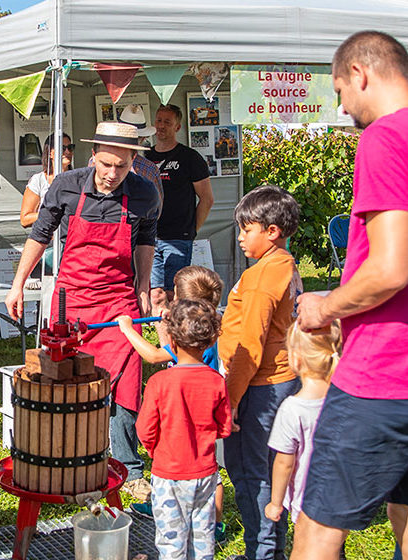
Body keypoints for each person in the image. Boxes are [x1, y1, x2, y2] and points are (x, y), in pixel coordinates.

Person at [293, 31, 408, 560]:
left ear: (360, 74)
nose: (342, 107)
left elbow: (389, 268)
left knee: (316, 529)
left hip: (383, 376)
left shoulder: (386, 137)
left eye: (340, 91)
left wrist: (327, 304)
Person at [5, 122, 160, 501]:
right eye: (106, 164)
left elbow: (145, 241)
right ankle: (63, 453)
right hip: (71, 299)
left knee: (126, 381)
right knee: (63, 376)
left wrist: (142, 287)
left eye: (121, 167)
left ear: (133, 161)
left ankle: (129, 465)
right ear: (93, 156)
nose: (111, 174)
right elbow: (39, 234)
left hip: (118, 301)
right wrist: (18, 283)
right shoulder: (66, 185)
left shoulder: (144, 193)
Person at [218, 184, 303, 560]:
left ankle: (262, 553)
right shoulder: (283, 264)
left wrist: (231, 401)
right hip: (277, 382)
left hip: (259, 387)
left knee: (253, 474)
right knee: (270, 470)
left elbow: (249, 344)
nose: (239, 237)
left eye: (246, 229)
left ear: (272, 231)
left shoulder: (260, 279)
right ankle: (272, 549)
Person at [118, 265, 227, 539]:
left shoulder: (187, 342)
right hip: (206, 404)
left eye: (174, 295)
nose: (171, 298)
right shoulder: (209, 326)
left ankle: (164, 508)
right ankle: (214, 526)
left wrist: (127, 330)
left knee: (175, 462)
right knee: (209, 467)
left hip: (184, 402)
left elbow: (154, 356)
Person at [136, 298, 231, 559]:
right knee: (202, 537)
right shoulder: (217, 381)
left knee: (171, 540)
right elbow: (224, 428)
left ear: (172, 343)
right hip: (205, 474)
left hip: (168, 475)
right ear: (211, 342)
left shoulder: (159, 382)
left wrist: (156, 450)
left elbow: (144, 429)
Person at [146, 104, 214, 346]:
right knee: (156, 295)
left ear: (177, 126)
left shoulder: (189, 158)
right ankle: (167, 352)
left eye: (167, 121)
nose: (161, 125)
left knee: (175, 296)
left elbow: (207, 198)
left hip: (178, 237)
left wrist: (192, 229)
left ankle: (179, 345)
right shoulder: (145, 156)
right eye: (158, 120)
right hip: (150, 238)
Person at [264, 321, 342, 526]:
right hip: (340, 496)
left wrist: (275, 503)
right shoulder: (343, 401)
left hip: (307, 499)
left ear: (296, 358)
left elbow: (284, 462)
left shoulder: (292, 409)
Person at [89, 105, 163, 207]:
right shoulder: (150, 168)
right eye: (107, 164)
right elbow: (156, 208)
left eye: (120, 166)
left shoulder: (149, 168)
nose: (113, 173)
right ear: (142, 139)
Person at [19, 133, 74, 228]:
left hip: (74, 239)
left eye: (70, 147)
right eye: (62, 148)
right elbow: (25, 219)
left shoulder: (79, 179)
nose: (68, 152)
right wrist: (52, 213)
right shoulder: (39, 180)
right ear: (50, 153)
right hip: (48, 240)